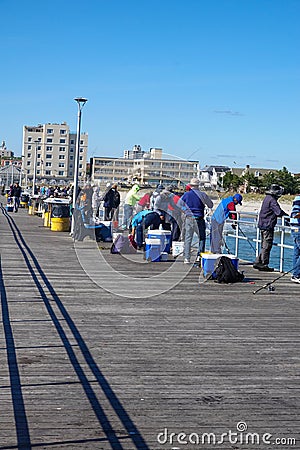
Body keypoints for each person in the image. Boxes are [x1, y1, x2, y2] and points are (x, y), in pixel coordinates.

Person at [253, 184, 288, 272]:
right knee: (267, 245)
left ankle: (258, 261)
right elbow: (278, 212)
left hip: (262, 224)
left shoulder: (266, 198)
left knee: (263, 245)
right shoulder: (272, 200)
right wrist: (287, 217)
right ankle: (264, 264)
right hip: (267, 225)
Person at [180, 178, 213, 264]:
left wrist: (185, 210)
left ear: (190, 185)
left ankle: (187, 258)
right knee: (202, 238)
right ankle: (199, 256)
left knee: (188, 238)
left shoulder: (186, 195)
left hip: (189, 218)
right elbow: (210, 205)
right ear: (198, 186)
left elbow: (179, 204)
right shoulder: (202, 194)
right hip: (199, 218)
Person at [289, 195, 300, 283]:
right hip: (298, 230)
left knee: (296, 253)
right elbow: (295, 214)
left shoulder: (296, 200)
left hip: (295, 230)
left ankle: (296, 274)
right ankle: (296, 274)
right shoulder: (298, 201)